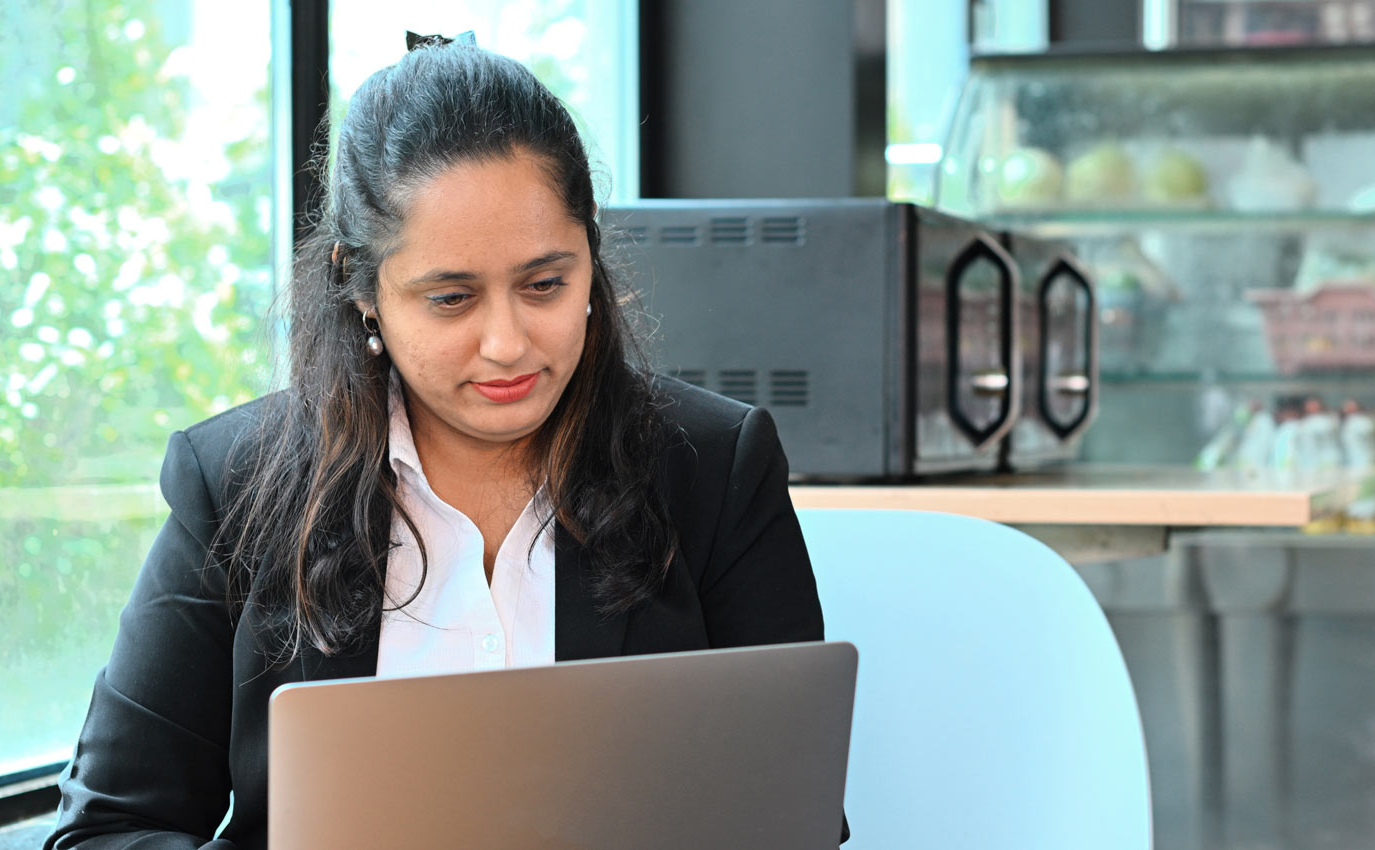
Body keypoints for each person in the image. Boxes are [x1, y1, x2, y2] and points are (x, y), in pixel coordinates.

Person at [46, 33, 834, 850]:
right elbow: (109, 829)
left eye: (545, 284)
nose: (507, 343)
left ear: (589, 258)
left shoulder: (714, 468)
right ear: (363, 290)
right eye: (451, 298)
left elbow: (788, 816)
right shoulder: (237, 483)